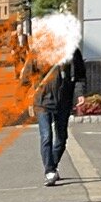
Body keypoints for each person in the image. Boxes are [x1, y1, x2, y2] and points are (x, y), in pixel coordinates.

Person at [37, 39, 88, 186]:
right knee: (46, 136)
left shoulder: (73, 51)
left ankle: (52, 166)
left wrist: (80, 93)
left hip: (63, 101)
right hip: (42, 101)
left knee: (61, 138)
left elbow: (80, 75)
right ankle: (49, 171)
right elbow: (29, 74)